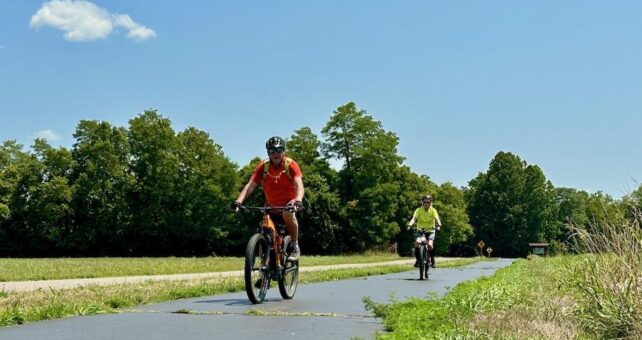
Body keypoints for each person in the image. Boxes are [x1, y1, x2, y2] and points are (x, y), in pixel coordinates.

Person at [232, 136, 305, 261]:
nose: (275, 153)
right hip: (271, 205)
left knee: (288, 214)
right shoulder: (263, 166)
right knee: (264, 230)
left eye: (279, 150)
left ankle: (294, 245)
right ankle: (263, 269)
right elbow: (250, 186)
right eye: (272, 150)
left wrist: (298, 200)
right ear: (268, 152)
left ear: (284, 151)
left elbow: (299, 184)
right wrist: (239, 201)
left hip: (289, 203)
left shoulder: (290, 165)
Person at [407, 194, 441, 268]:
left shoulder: (433, 210)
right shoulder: (418, 210)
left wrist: (439, 225)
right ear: (422, 202)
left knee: (430, 245)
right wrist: (409, 225)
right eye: (424, 202)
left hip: (430, 230)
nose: (426, 203)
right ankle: (418, 260)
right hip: (420, 230)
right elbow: (414, 219)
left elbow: (437, 218)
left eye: (428, 202)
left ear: (430, 203)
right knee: (417, 243)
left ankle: (432, 260)